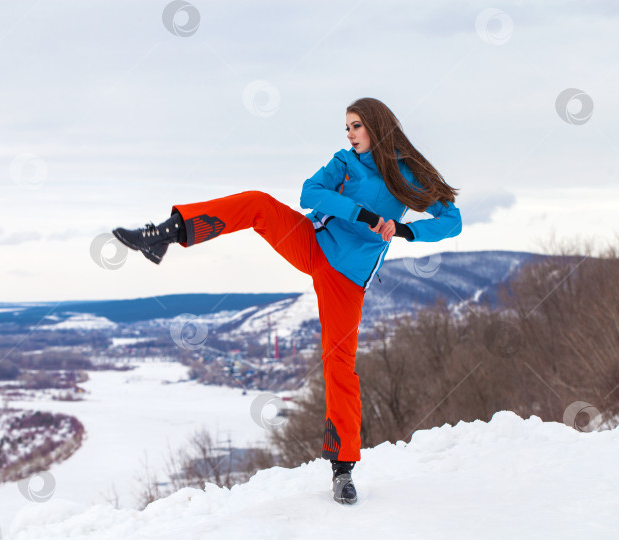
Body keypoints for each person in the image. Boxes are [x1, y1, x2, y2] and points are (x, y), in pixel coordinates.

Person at [113, 97, 462, 505]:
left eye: (355, 127)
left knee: (339, 367)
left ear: (376, 127)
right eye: (346, 128)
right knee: (259, 204)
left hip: (346, 279)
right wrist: (362, 214)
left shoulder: (407, 172)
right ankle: (167, 233)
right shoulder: (344, 161)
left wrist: (404, 231)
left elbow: (451, 221)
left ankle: (342, 470)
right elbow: (308, 193)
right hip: (312, 244)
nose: (349, 135)